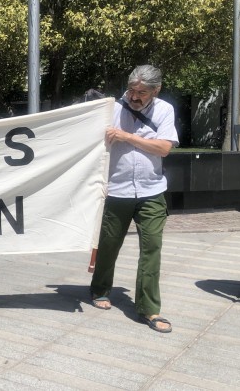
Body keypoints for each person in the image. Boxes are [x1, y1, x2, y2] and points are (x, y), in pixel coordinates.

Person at [89, 65, 179, 333]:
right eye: (131, 90)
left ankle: (149, 308)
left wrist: (127, 136)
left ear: (156, 90)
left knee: (151, 249)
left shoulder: (164, 110)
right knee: (108, 243)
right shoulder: (112, 109)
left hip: (151, 191)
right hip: (117, 189)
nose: (134, 96)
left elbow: (164, 147)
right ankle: (100, 289)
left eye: (141, 92)